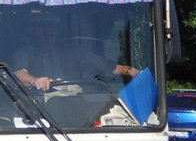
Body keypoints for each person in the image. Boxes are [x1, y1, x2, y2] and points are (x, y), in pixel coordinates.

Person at [10, 10, 138, 92]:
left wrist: (128, 71)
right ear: (32, 30)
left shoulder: (71, 51)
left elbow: (102, 64)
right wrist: (34, 80)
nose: (48, 30)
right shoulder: (23, 53)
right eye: (43, 26)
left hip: (76, 104)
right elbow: (19, 74)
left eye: (52, 26)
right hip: (40, 107)